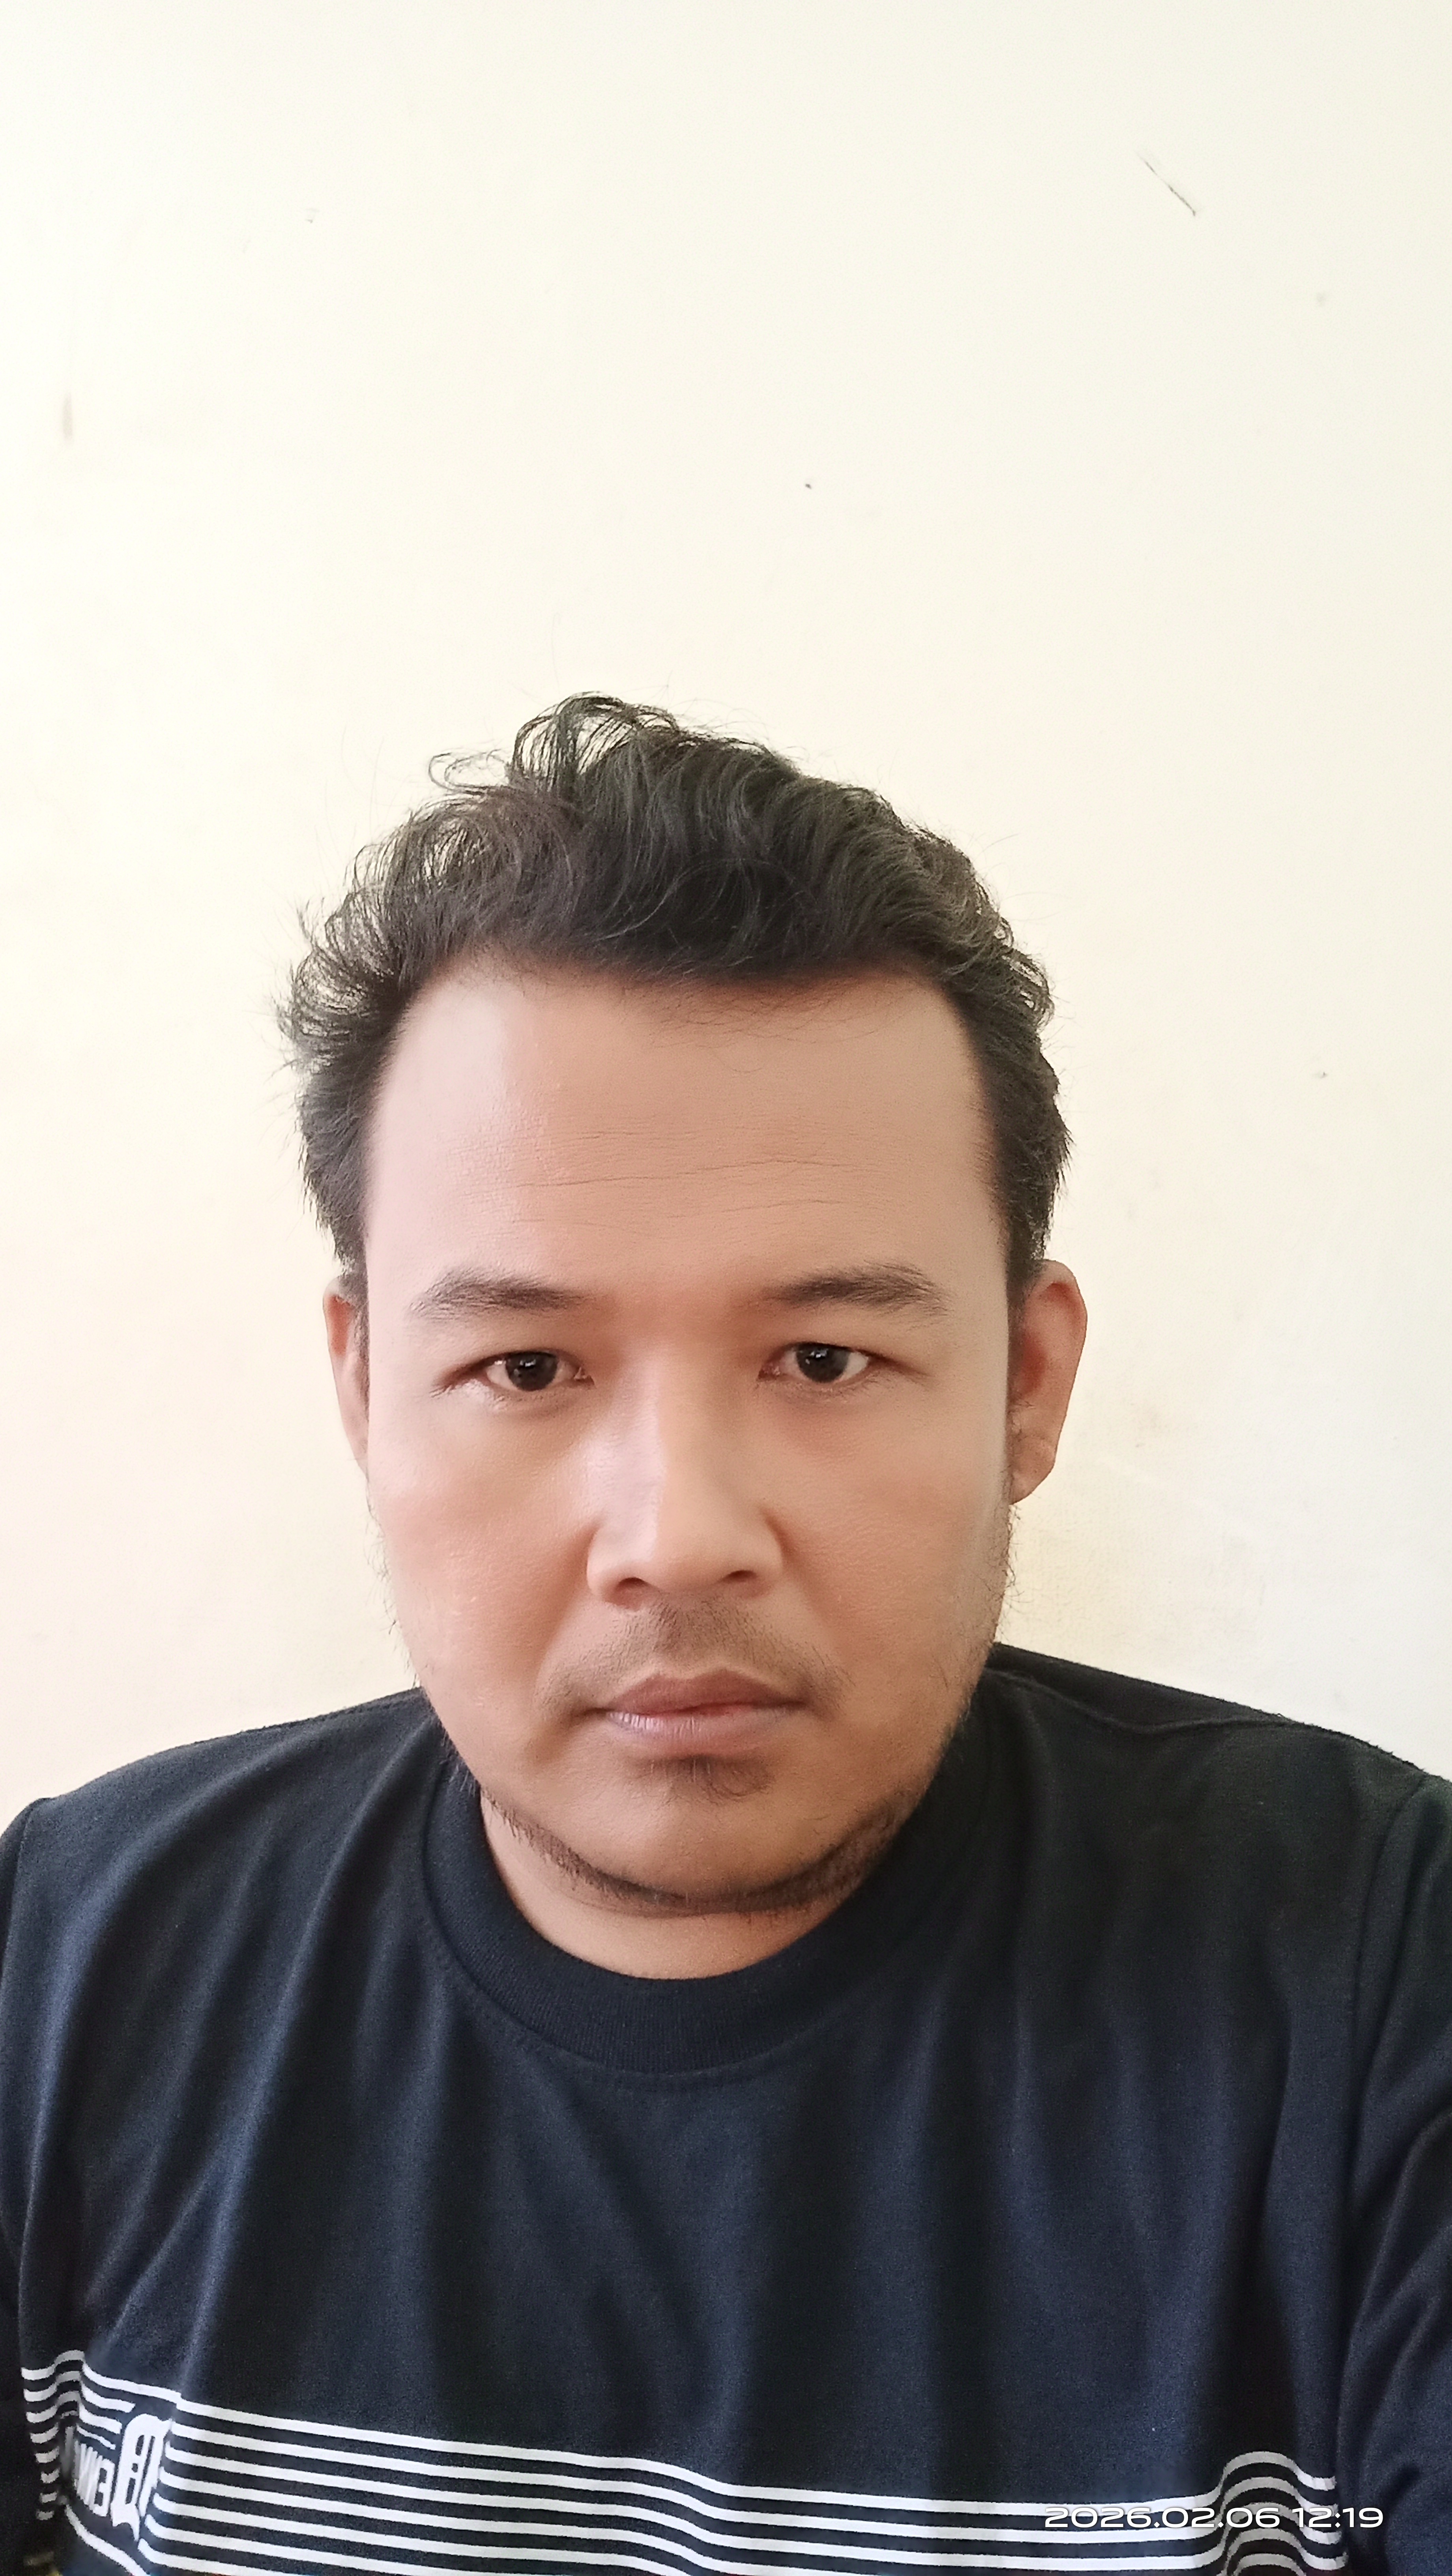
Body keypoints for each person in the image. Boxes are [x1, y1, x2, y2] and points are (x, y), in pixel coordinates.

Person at [0, 698, 1446, 2576]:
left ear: (1025, 1386)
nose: (677, 1540)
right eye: (526, 1367)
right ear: (363, 1391)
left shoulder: (1374, 1976)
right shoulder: (73, 1961)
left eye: (823, 1359)